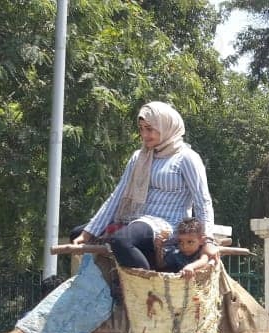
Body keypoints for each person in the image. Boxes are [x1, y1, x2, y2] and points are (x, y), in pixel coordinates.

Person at [71, 102, 219, 270]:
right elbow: (117, 196)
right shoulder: (139, 156)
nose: (144, 135)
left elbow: (203, 201)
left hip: (167, 223)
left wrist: (208, 240)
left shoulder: (186, 158)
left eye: (150, 129)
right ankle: (107, 286)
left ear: (166, 127)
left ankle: (150, 287)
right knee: (77, 233)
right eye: (141, 129)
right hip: (137, 218)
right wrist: (88, 232)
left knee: (121, 241)